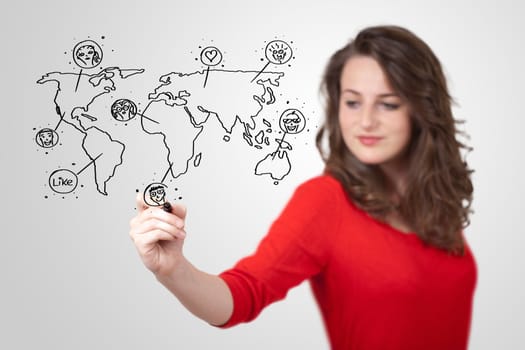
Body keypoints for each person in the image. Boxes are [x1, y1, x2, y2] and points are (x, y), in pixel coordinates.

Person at [129, 25, 476, 350]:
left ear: (422, 109)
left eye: (388, 103)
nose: (366, 120)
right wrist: (174, 270)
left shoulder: (433, 199)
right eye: (353, 102)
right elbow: (246, 292)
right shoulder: (326, 201)